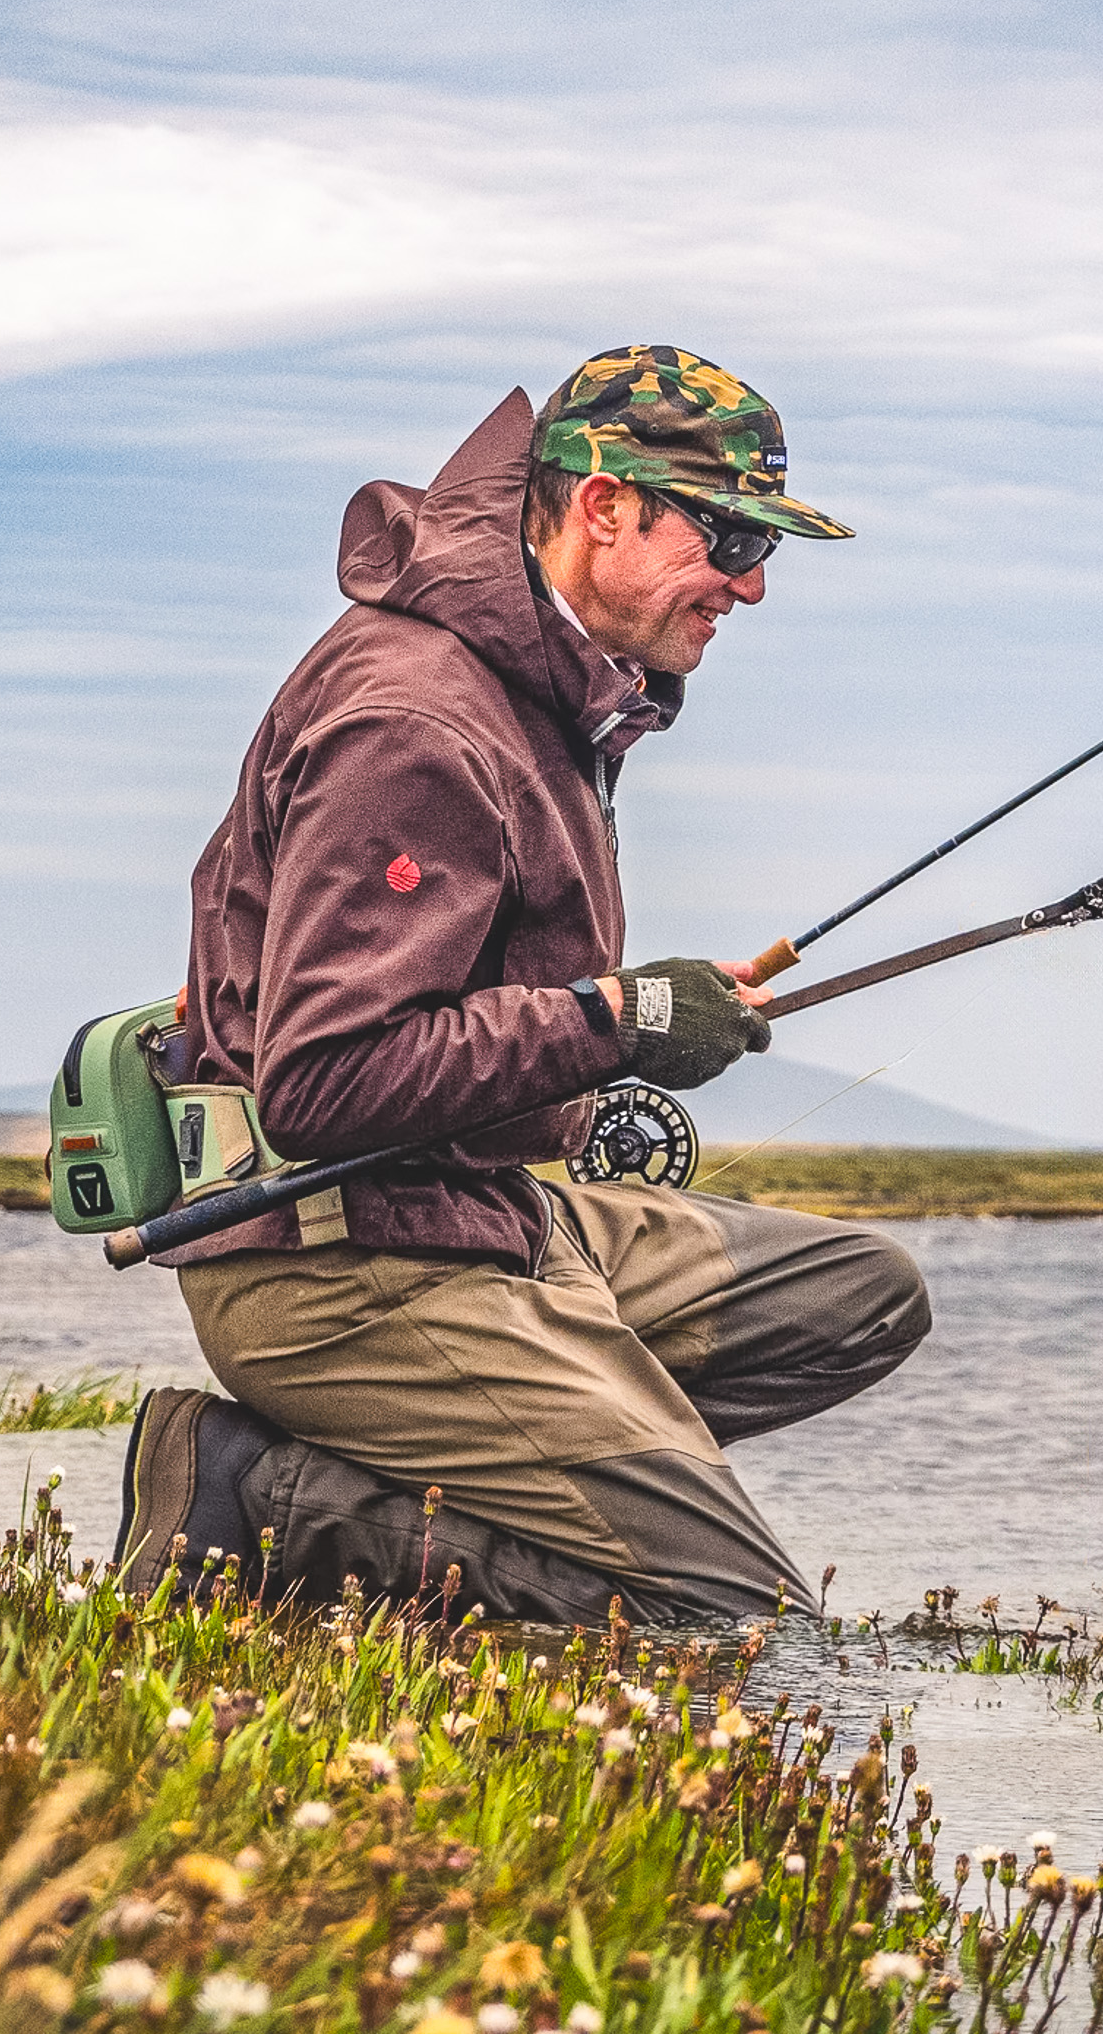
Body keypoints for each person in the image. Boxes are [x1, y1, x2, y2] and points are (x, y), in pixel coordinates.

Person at [114, 347, 930, 1623]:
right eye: (726, 534)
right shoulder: (416, 720)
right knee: (728, 1617)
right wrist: (621, 1019)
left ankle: (515, 1450)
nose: (754, 583)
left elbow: (480, 1016)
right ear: (602, 505)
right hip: (341, 1267)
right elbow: (329, 1080)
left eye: (766, 544)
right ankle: (269, 1500)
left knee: (862, 1294)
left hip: (475, 1211)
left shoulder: (539, 690)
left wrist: (599, 1049)